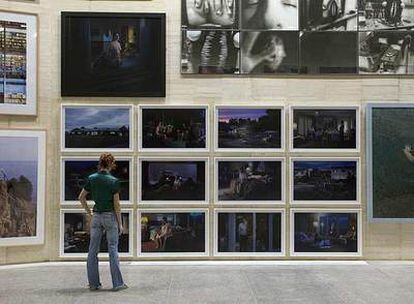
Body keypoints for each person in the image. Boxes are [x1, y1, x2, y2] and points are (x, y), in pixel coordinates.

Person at [78, 153, 128, 292]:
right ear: (111, 164)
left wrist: (89, 212)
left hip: (97, 216)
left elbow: (81, 197)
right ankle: (117, 284)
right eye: (114, 163)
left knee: (92, 250)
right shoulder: (113, 181)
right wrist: (120, 223)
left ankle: (94, 284)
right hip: (110, 217)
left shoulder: (92, 178)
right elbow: (116, 205)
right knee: (113, 249)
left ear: (100, 163)